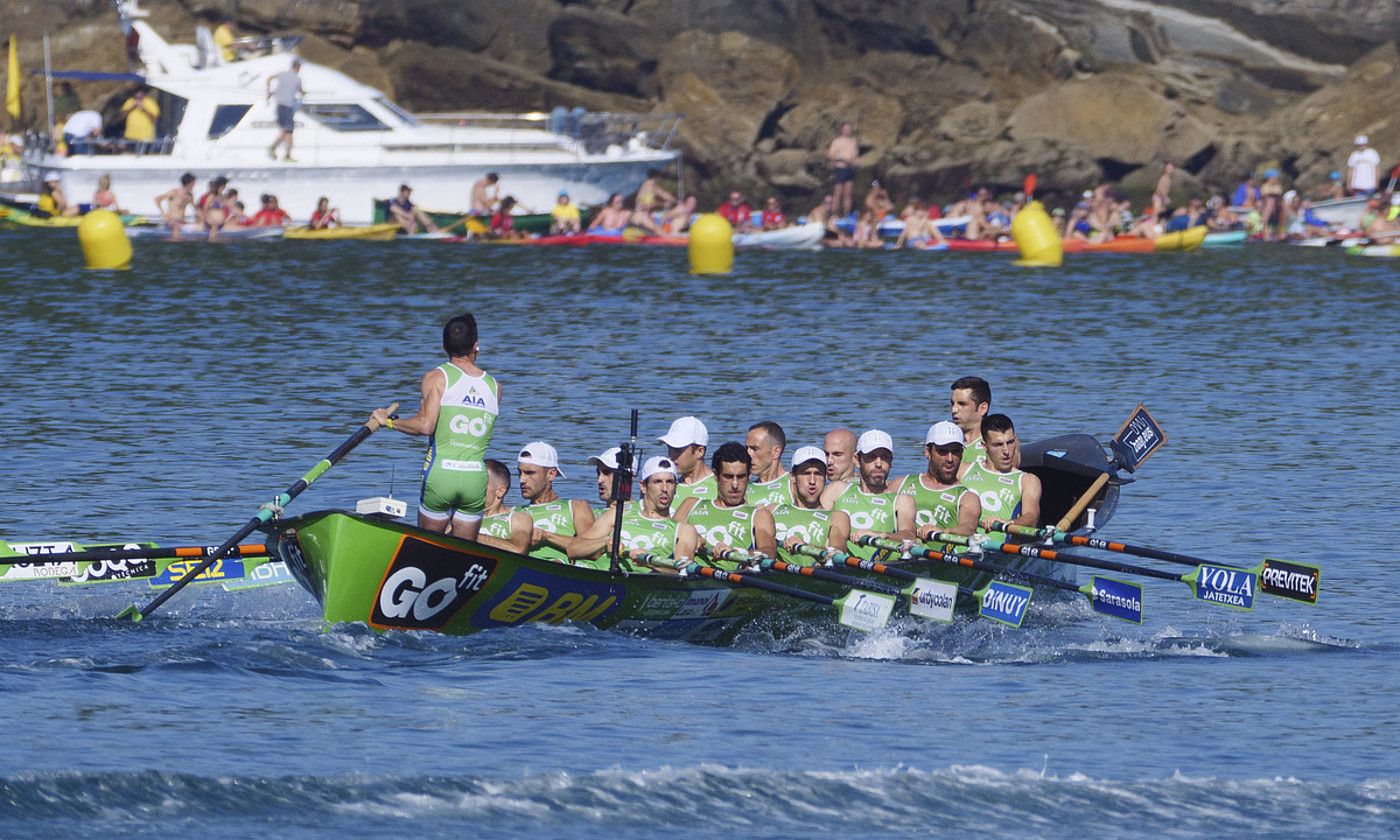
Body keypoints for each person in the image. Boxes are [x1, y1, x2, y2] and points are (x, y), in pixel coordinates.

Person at [370, 312, 500, 540]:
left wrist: (388, 421)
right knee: (464, 555)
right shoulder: (495, 387)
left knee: (429, 548)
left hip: (441, 475)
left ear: (444, 346)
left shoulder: (436, 377)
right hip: (474, 479)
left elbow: (425, 426)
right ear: (476, 347)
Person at [568, 456, 701, 573]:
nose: (665, 489)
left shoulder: (684, 530)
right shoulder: (619, 513)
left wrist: (650, 562)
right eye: (657, 482)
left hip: (638, 584)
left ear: (676, 487)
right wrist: (605, 542)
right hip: (596, 575)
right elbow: (573, 549)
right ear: (643, 486)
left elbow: (682, 572)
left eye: (670, 482)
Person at [676, 442, 778, 566]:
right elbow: (667, 535)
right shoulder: (690, 505)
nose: (735, 485)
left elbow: (768, 552)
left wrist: (738, 553)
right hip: (688, 577)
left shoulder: (759, 515)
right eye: (728, 477)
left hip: (734, 578)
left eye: (741, 477)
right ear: (716, 475)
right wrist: (689, 536)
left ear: (749, 476)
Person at [828, 430, 916, 560]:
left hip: (885, 568)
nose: (879, 464)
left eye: (884, 457)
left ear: (891, 461)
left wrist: (882, 535)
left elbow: (910, 535)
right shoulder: (837, 490)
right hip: (841, 565)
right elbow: (813, 518)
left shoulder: (901, 501)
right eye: (871, 457)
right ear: (857, 460)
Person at [515, 441, 596, 564]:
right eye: (519, 473)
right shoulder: (514, 512)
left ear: (551, 474)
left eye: (529, 473)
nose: (522, 480)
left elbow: (594, 550)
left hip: (559, 569)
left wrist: (546, 536)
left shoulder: (575, 506)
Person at [771, 446, 851, 566]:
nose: (812, 481)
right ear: (792, 476)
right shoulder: (771, 510)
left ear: (825, 477)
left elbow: (837, 552)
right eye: (806, 473)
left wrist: (807, 547)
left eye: (818, 474)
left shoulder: (837, 517)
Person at [959, 414, 1042, 529]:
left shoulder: (1027, 480)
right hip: (961, 540)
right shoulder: (962, 470)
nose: (1006, 451)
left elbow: (1031, 517)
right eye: (998, 444)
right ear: (984, 446)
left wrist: (1007, 523)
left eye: (1010, 442)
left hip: (997, 543)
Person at [903, 421, 981, 540]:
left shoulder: (968, 497)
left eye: (955, 451)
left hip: (942, 554)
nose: (950, 459)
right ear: (928, 452)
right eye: (943, 451)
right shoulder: (901, 484)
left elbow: (968, 527)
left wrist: (943, 532)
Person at [478, 459, 534, 554]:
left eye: (479, 483)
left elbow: (518, 549)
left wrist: (467, 534)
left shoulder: (517, 518)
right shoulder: (459, 515)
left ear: (500, 491)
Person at [661, 416, 715, 505]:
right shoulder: (665, 488)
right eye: (670, 448)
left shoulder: (722, 487)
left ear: (700, 452)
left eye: (678, 450)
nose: (671, 455)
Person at [949, 375, 991, 474]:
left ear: (983, 408)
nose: (954, 410)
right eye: (952, 403)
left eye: (962, 404)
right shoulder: (945, 444)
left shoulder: (997, 444)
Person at [745, 421, 792, 508]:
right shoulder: (742, 487)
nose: (747, 454)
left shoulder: (793, 484)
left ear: (775, 452)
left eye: (755, 449)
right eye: (747, 448)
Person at [265, 59, 303, 162]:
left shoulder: (282, 74)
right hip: (287, 106)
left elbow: (269, 79)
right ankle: (287, 156)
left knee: (285, 130)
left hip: (279, 106)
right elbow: (301, 91)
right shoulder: (297, 79)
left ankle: (272, 148)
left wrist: (269, 92)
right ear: (297, 67)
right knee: (289, 131)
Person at [827, 122, 859, 217]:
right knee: (837, 193)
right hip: (840, 169)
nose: (847, 131)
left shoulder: (853, 142)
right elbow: (831, 155)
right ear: (842, 130)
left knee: (848, 194)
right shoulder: (837, 141)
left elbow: (855, 156)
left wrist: (854, 162)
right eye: (845, 129)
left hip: (850, 169)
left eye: (849, 129)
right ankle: (834, 214)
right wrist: (842, 159)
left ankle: (847, 214)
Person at [587, 446, 630, 511]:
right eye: (598, 473)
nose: (599, 480)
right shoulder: (591, 514)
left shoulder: (641, 515)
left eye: (606, 473)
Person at [155, 172, 197, 237]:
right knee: (176, 227)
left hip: (182, 222)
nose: (194, 185)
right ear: (188, 183)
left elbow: (195, 209)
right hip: (171, 221)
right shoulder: (174, 192)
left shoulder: (189, 196)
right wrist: (163, 214)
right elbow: (157, 199)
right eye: (193, 183)